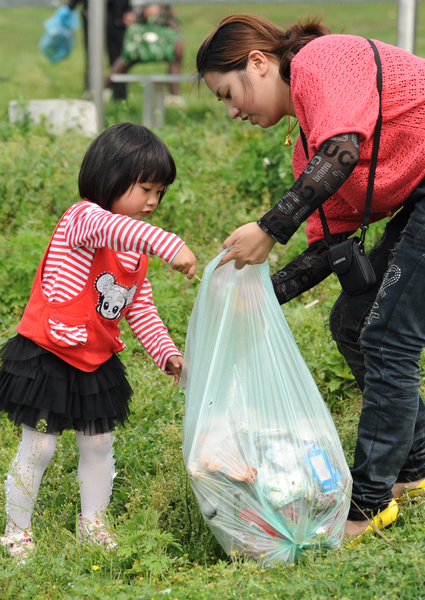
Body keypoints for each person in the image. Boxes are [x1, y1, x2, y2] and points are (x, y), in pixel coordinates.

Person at [196, 13, 425, 542]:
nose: (232, 112)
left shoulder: (324, 61)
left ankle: (365, 508)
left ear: (258, 62)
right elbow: (327, 246)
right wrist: (263, 296)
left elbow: (342, 150)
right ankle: (414, 469)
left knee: (388, 337)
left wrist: (270, 228)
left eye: (229, 93)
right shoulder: (307, 144)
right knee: (352, 324)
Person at [0, 123, 196, 561]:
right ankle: (16, 532)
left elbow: (139, 309)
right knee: (40, 446)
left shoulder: (135, 250)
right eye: (145, 188)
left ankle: (94, 526)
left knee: (98, 445)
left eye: (160, 193)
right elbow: (114, 228)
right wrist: (174, 245)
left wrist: (167, 353)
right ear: (110, 178)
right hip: (47, 352)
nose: (152, 202)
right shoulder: (84, 218)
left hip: (94, 359)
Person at [105, 3, 185, 106]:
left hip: (163, 34)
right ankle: (102, 89)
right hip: (142, 35)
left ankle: (174, 97)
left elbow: (173, 19)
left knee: (176, 53)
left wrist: (165, 13)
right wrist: (144, 12)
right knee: (127, 57)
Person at [69, 0, 133, 100]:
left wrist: (128, 9)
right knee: (92, 55)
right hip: (92, 13)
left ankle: (119, 95)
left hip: (116, 13)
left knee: (117, 56)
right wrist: (70, 6)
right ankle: (92, 90)